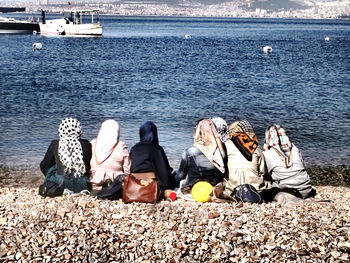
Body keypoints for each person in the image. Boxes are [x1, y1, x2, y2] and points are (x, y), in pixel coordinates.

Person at [216, 120, 271, 200]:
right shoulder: (255, 148)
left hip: (232, 189)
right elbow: (264, 172)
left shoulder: (225, 146)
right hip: (256, 190)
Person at [39, 117, 92, 194]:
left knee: (53, 167)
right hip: (82, 183)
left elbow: (44, 165)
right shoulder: (86, 144)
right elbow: (87, 166)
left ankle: (60, 187)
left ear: (61, 129)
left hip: (60, 182)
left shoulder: (55, 144)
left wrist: (51, 174)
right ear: (78, 129)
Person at [262, 124, 315, 200]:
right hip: (307, 189)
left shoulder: (268, 154)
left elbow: (265, 174)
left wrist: (265, 150)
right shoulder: (294, 149)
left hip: (289, 192)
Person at [175, 119, 226, 191]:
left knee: (178, 175)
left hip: (192, 188)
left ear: (198, 132)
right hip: (213, 187)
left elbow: (181, 175)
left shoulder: (189, 152)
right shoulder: (220, 151)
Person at [129, 121, 175, 190]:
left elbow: (131, 167)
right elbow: (163, 170)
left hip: (136, 182)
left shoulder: (134, 148)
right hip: (153, 183)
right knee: (176, 175)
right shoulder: (157, 149)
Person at [89, 119, 131, 191]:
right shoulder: (121, 146)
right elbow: (127, 170)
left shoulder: (92, 144)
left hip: (94, 181)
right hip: (116, 182)